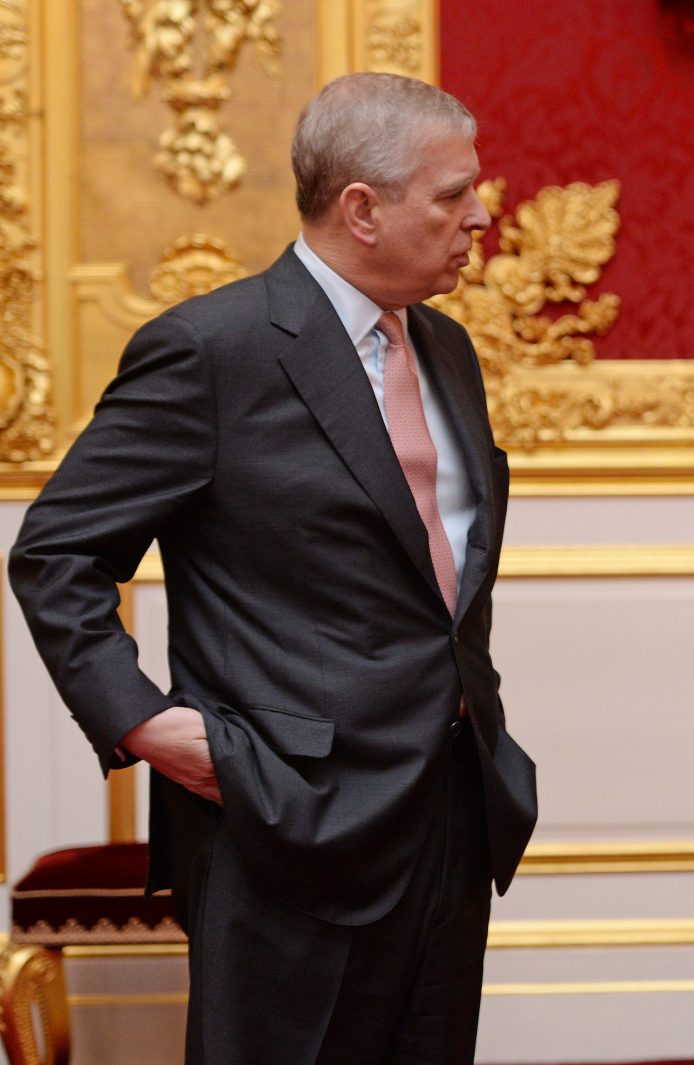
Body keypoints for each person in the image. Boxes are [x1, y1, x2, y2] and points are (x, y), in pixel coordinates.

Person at [9, 72, 538, 1064]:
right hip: (285, 818)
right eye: (454, 194)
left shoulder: (451, 349)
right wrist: (148, 724)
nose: (481, 217)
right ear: (362, 210)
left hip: (450, 817)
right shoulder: (213, 350)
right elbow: (59, 551)